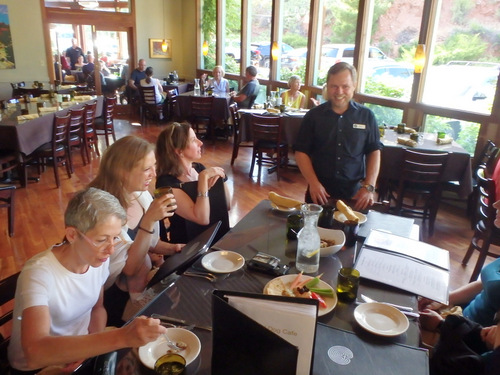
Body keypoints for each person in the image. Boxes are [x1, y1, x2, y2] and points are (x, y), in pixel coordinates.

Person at [7, 188, 167, 374]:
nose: (111, 250)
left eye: (115, 238)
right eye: (101, 239)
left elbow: (97, 308)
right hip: (41, 366)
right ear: (72, 235)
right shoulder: (38, 274)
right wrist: (121, 337)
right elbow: (35, 351)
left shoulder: (97, 260)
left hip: (82, 349)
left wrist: (92, 348)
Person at [88, 136, 184, 327]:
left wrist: (175, 249)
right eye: (147, 169)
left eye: (154, 167)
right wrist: (149, 219)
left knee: (181, 295)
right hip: (105, 295)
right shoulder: (100, 209)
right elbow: (130, 267)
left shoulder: (141, 195)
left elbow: (150, 242)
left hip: (134, 283)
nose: (154, 174)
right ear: (123, 172)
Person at [419, 199, 500, 375]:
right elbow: (482, 284)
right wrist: (442, 300)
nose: (495, 205)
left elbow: (483, 359)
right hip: (460, 323)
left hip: (467, 345)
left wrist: (442, 326)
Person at [293, 62, 382, 211]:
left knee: (352, 234)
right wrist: (313, 183)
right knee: (314, 233)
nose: (339, 91)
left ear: (354, 85)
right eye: (334, 86)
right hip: (319, 193)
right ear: (327, 86)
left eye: (345, 86)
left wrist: (369, 187)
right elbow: (301, 152)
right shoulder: (313, 116)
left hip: (355, 194)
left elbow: (374, 151)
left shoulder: (366, 116)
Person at [155, 122, 230, 244]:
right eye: (193, 140)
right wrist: (203, 179)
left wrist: (222, 178)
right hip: (188, 248)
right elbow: (201, 218)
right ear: (179, 151)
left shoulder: (199, 168)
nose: (200, 143)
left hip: (215, 237)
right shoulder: (165, 183)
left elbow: (226, 205)